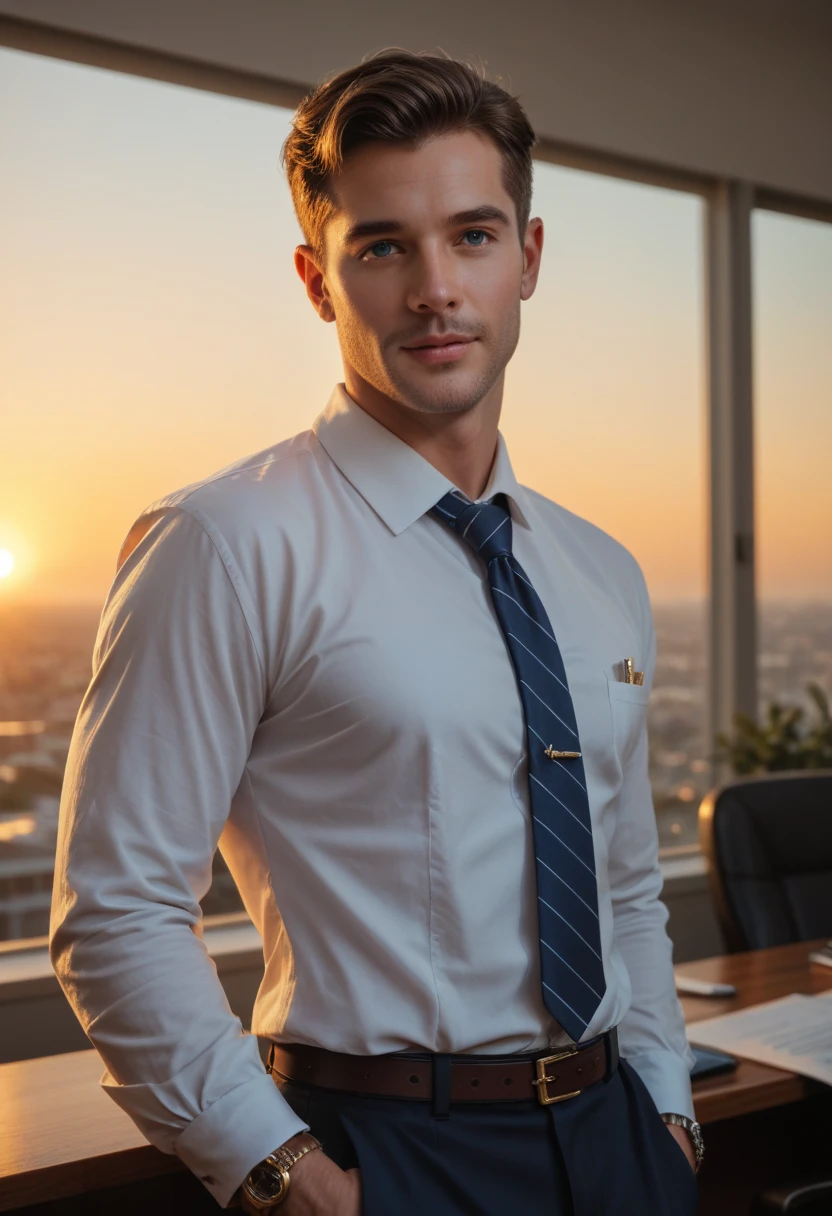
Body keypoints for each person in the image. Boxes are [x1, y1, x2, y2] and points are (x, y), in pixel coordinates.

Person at [50, 47, 702, 1215]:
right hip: (389, 1154)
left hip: (616, 1141)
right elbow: (116, 910)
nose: (435, 288)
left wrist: (664, 1105)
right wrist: (287, 1176)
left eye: (472, 236)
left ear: (527, 258)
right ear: (318, 280)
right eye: (383, 247)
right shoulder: (223, 542)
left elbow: (626, 882)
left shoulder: (600, 569)